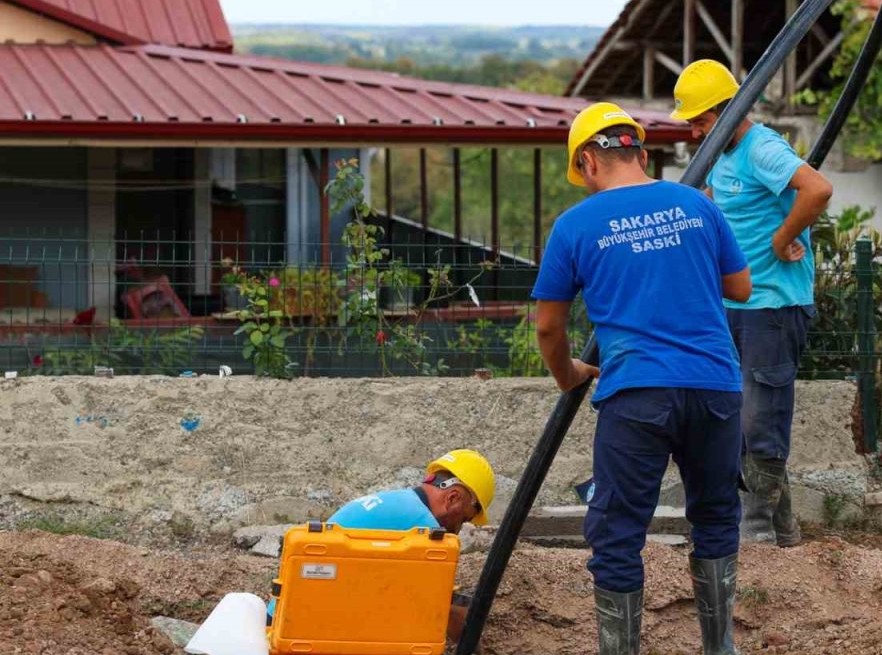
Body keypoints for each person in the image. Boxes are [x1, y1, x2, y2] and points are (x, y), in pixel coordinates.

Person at [532, 102, 752, 655]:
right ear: (641, 152)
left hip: (636, 394)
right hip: (715, 387)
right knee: (716, 515)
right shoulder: (696, 206)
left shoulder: (575, 225)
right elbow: (742, 288)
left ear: (586, 161)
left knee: (618, 533)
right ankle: (719, 647)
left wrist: (569, 375)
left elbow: (548, 328)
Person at [670, 60, 834, 547]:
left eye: (700, 120)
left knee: (761, 412)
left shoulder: (760, 146)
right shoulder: (723, 154)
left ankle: (757, 525)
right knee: (737, 411)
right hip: (738, 302)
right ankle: (782, 527)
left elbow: (818, 189)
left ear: (726, 110)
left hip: (774, 305)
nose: (695, 130)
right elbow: (728, 205)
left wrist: (784, 238)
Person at [266, 449, 496, 644]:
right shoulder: (422, 527)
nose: (457, 531)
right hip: (302, 629)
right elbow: (443, 610)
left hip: (286, 618)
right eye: (463, 520)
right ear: (453, 498)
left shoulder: (400, 501)